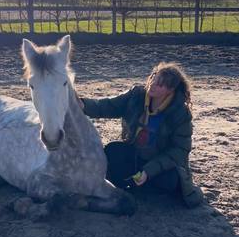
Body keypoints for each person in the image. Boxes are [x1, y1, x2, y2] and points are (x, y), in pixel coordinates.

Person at [80, 61, 203, 208]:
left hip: (159, 162)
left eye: (160, 84)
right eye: (153, 79)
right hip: (135, 155)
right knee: (113, 152)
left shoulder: (180, 113)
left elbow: (179, 151)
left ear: (170, 90)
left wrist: (148, 171)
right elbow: (108, 106)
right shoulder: (135, 95)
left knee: (171, 181)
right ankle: (137, 183)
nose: (152, 84)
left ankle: (144, 185)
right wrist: (82, 104)